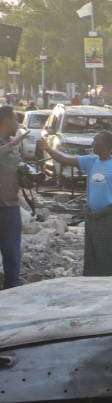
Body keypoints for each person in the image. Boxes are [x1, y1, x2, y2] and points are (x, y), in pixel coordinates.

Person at [40, 131, 112, 276]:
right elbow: (64, 159)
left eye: (96, 141)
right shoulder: (90, 161)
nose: (92, 144)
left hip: (110, 216)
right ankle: (93, 279)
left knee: (110, 251)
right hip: (92, 216)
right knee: (93, 252)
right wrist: (47, 148)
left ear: (106, 145)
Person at [0, 106, 24, 288]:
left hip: (10, 207)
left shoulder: (12, 145)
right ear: (6, 121)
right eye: (16, 119)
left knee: (12, 255)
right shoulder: (9, 145)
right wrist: (12, 144)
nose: (18, 123)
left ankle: (11, 292)